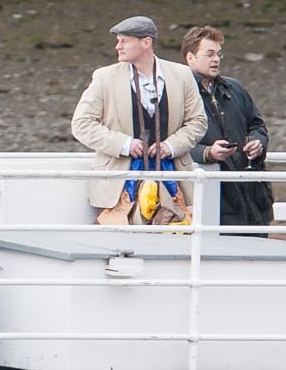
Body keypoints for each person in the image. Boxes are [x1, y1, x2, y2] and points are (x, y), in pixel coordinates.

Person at [70, 15, 207, 220]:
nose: (118, 46)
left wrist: (170, 146)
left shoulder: (182, 75)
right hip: (118, 188)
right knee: (120, 245)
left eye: (124, 40)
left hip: (173, 183)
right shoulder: (105, 77)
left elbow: (198, 122)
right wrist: (124, 144)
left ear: (146, 42)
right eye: (118, 41)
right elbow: (81, 124)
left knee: (173, 243)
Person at [183, 23, 272, 229]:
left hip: (253, 198)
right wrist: (206, 153)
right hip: (213, 201)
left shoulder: (235, 88)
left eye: (219, 54)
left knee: (258, 256)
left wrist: (258, 143)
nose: (216, 59)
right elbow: (170, 143)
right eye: (209, 54)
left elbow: (258, 125)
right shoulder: (179, 94)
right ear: (190, 58)